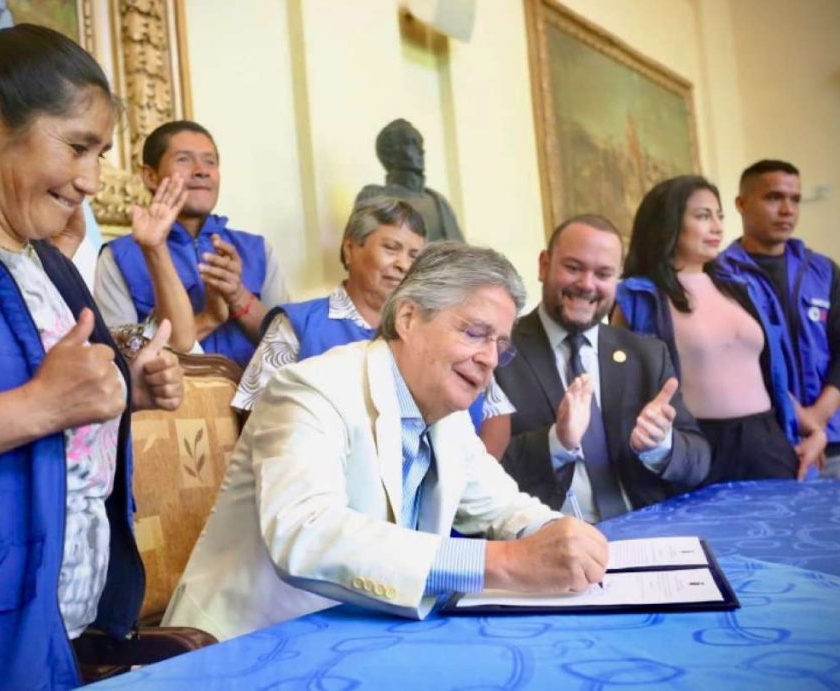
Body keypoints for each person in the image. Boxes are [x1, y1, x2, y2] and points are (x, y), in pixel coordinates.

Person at [0, 25, 184, 691]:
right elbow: (31, 402)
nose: (89, 179)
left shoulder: (46, 263)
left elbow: (39, 391)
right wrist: (39, 405)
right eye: (77, 146)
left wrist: (121, 388)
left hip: (49, 628)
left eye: (101, 154)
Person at [162, 242, 608, 642]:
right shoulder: (310, 389)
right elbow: (306, 532)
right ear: (409, 318)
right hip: (245, 646)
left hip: (358, 636)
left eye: (500, 344)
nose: (489, 358)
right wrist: (504, 561)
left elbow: (504, 506)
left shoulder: (446, 417)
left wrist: (558, 535)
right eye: (474, 333)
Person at [232, 196, 515, 454]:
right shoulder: (299, 324)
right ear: (350, 249)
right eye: (391, 248)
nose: (403, 264)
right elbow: (256, 412)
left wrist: (466, 483)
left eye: (414, 255)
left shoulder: (441, 328)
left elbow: (494, 411)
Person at [495, 215, 710, 523]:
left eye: (603, 273)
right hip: (549, 538)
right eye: (573, 268)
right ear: (544, 265)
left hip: (644, 529)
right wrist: (557, 442)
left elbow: (699, 460)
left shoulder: (646, 354)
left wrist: (661, 445)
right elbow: (476, 467)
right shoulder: (498, 350)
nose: (586, 285)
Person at [614, 175, 822, 483]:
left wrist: (814, 429)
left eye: (719, 216)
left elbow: (767, 377)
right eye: (702, 216)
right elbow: (624, 393)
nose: (717, 226)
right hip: (697, 446)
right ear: (668, 223)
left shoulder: (742, 289)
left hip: (767, 440)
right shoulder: (639, 297)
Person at [95, 120, 289, 366]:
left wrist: (238, 297)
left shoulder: (256, 249)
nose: (201, 171)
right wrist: (208, 319)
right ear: (151, 176)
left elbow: (289, 348)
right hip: (173, 402)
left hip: (257, 401)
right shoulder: (119, 257)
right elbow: (122, 364)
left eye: (210, 161)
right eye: (184, 159)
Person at [717, 160, 840, 478]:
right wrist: (802, 420)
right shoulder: (718, 275)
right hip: (766, 442)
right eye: (773, 198)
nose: (787, 210)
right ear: (741, 204)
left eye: (795, 199)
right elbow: (732, 362)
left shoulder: (823, 270)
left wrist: (817, 417)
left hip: (834, 440)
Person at [356, 118, 465, 242]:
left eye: (420, 144)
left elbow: (462, 255)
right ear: (390, 154)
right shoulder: (374, 198)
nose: (421, 151)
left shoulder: (438, 201)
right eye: (412, 143)